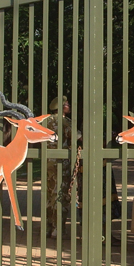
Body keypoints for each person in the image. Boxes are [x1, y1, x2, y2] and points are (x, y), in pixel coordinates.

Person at [45, 96, 79, 237]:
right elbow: (75, 137)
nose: (69, 105)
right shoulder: (65, 121)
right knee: (62, 193)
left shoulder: (46, 120)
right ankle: (58, 228)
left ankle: (49, 226)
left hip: (48, 160)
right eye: (66, 104)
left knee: (50, 192)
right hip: (62, 161)